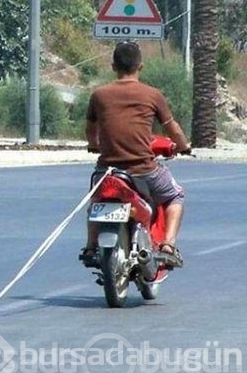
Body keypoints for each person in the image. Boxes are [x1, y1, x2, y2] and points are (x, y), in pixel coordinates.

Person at [81, 41, 191, 267]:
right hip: (143, 171)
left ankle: (91, 245)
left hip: (107, 170)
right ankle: (168, 245)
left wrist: (94, 144)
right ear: (140, 66)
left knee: (96, 200)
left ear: (113, 66)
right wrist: (183, 146)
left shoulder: (99, 95)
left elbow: (91, 128)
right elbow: (172, 128)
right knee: (175, 196)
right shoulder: (152, 94)